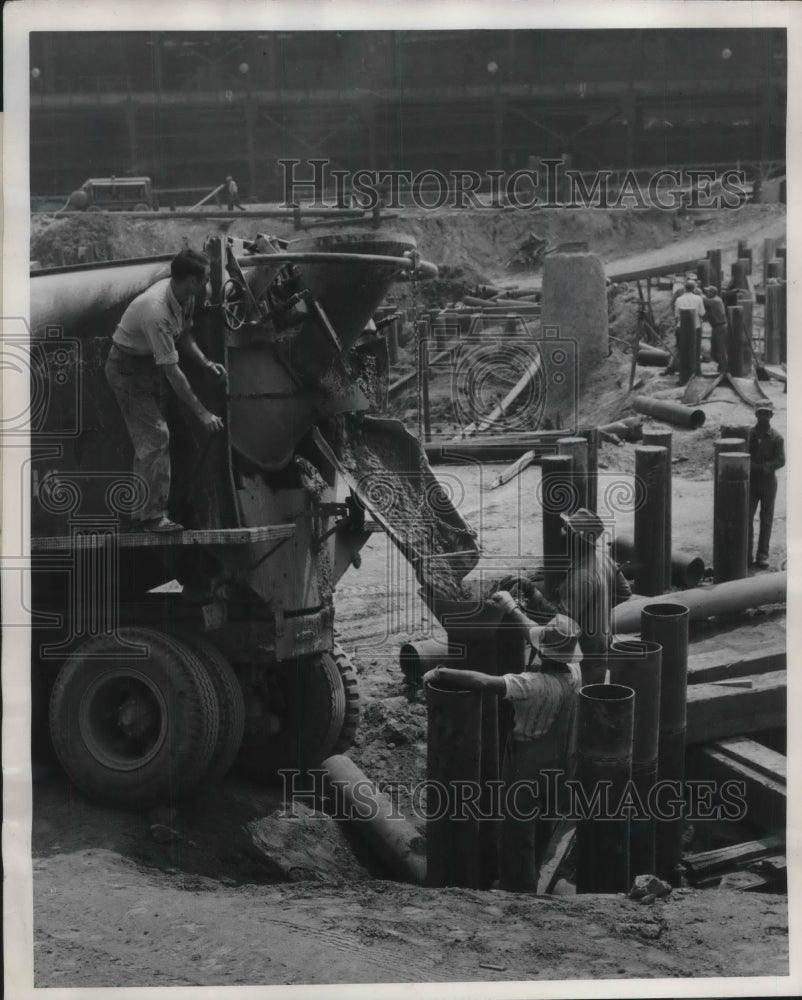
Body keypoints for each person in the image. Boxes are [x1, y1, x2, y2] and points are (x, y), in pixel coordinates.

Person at [422, 608, 583, 892]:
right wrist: (510, 607)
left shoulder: (532, 685)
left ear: (540, 651)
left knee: (517, 832)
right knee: (545, 824)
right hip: (562, 766)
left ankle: (517, 890)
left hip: (528, 769)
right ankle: (531, 874)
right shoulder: (574, 673)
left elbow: (484, 682)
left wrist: (441, 671)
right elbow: (533, 632)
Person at [105, 249, 226, 532]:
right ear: (191, 281)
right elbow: (172, 372)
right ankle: (151, 517)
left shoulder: (185, 296)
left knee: (155, 440)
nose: (209, 284)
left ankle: (148, 508)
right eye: (206, 278)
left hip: (148, 365)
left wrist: (205, 363)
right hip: (127, 371)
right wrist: (203, 413)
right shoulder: (155, 311)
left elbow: (183, 334)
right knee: (155, 437)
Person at [558, 508, 632, 686]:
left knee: (582, 699)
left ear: (577, 538)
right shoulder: (602, 557)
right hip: (601, 642)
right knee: (595, 692)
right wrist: (597, 606)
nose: (562, 533)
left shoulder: (581, 577)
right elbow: (625, 591)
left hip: (583, 652)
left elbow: (563, 622)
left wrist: (533, 597)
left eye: (567, 530)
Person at [747, 404, 785, 568]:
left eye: (766, 413)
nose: (763, 416)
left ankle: (762, 556)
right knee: (746, 518)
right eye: (760, 413)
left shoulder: (777, 437)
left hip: (768, 482)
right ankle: (746, 555)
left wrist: (764, 467)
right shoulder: (749, 434)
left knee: (766, 520)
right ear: (756, 415)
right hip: (752, 482)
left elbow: (781, 460)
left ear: (771, 416)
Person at [673, 279, 705, 376]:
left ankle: (684, 372)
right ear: (695, 288)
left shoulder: (679, 299)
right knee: (696, 349)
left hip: (682, 327)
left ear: (684, 288)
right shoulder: (699, 298)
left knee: (682, 349)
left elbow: (676, 315)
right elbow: (702, 313)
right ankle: (697, 371)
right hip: (696, 327)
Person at [702, 285, 729, 373]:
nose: (706, 293)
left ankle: (724, 370)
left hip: (720, 327)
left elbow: (703, 300)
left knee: (721, 349)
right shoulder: (714, 300)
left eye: (708, 292)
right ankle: (721, 367)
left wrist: (695, 290)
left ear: (712, 293)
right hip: (716, 327)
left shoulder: (716, 300)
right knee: (715, 349)